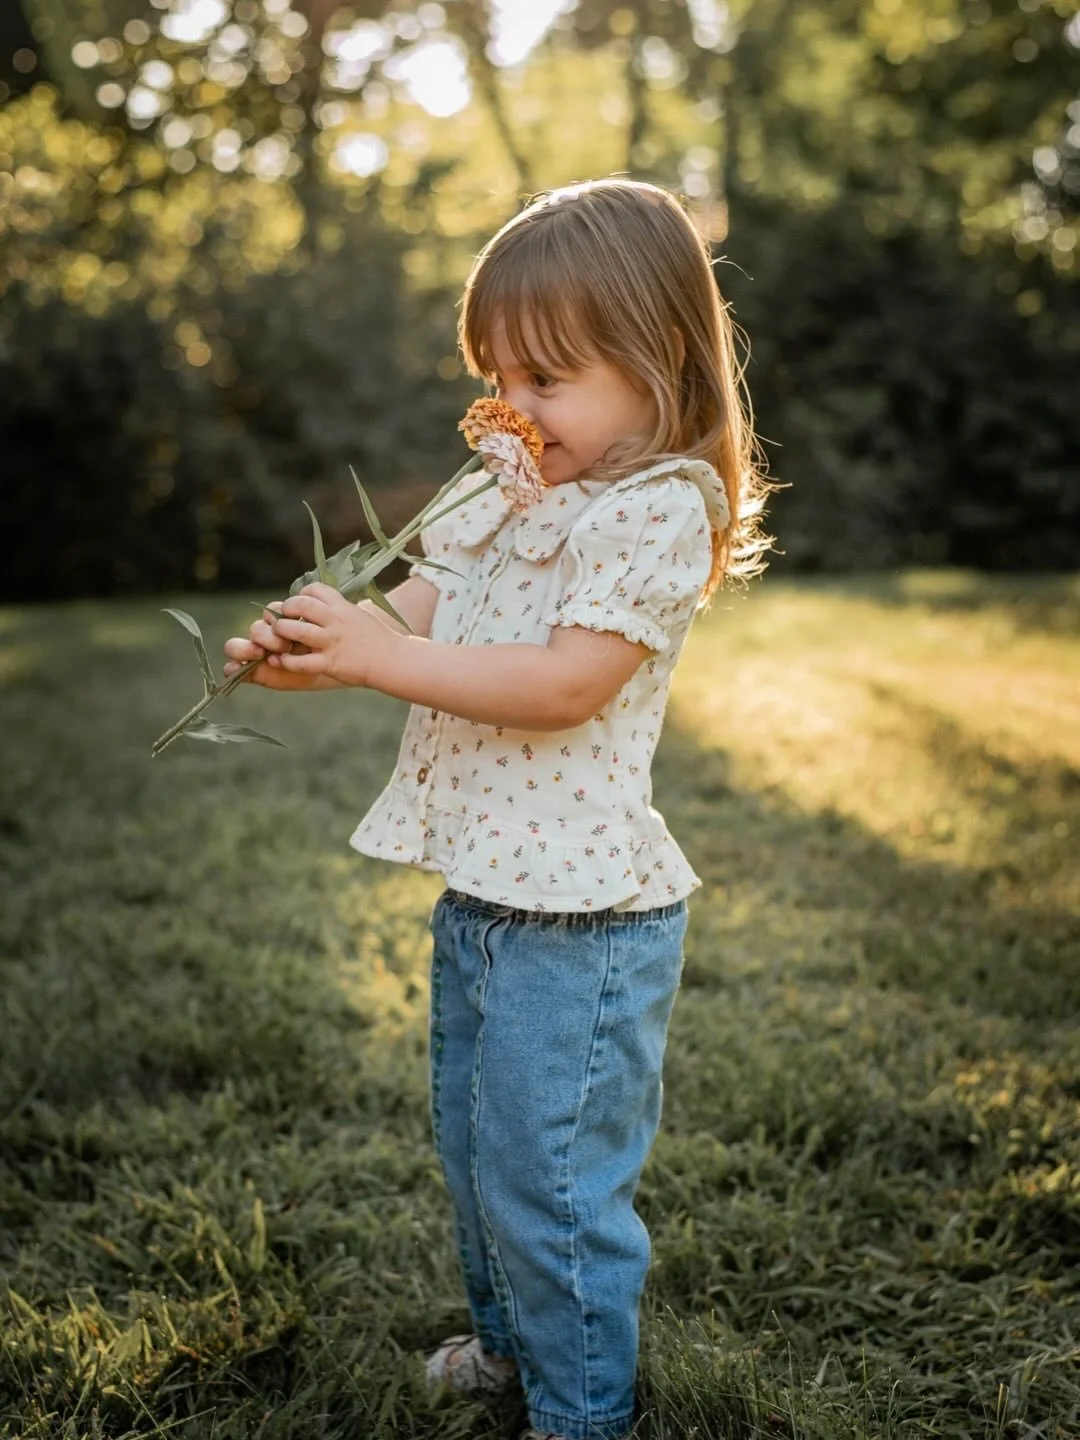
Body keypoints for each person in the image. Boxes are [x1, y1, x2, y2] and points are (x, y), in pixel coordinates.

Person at [224, 178, 774, 1440]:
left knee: (552, 1181)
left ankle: (585, 1412)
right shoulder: (507, 486)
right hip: (486, 895)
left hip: (583, 924)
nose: (510, 410)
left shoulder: (657, 508)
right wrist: (329, 638)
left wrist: (380, 659)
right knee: (480, 1163)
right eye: (498, 375)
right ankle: (509, 1352)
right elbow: (429, 608)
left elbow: (566, 683)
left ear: (657, 361)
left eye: (547, 380)